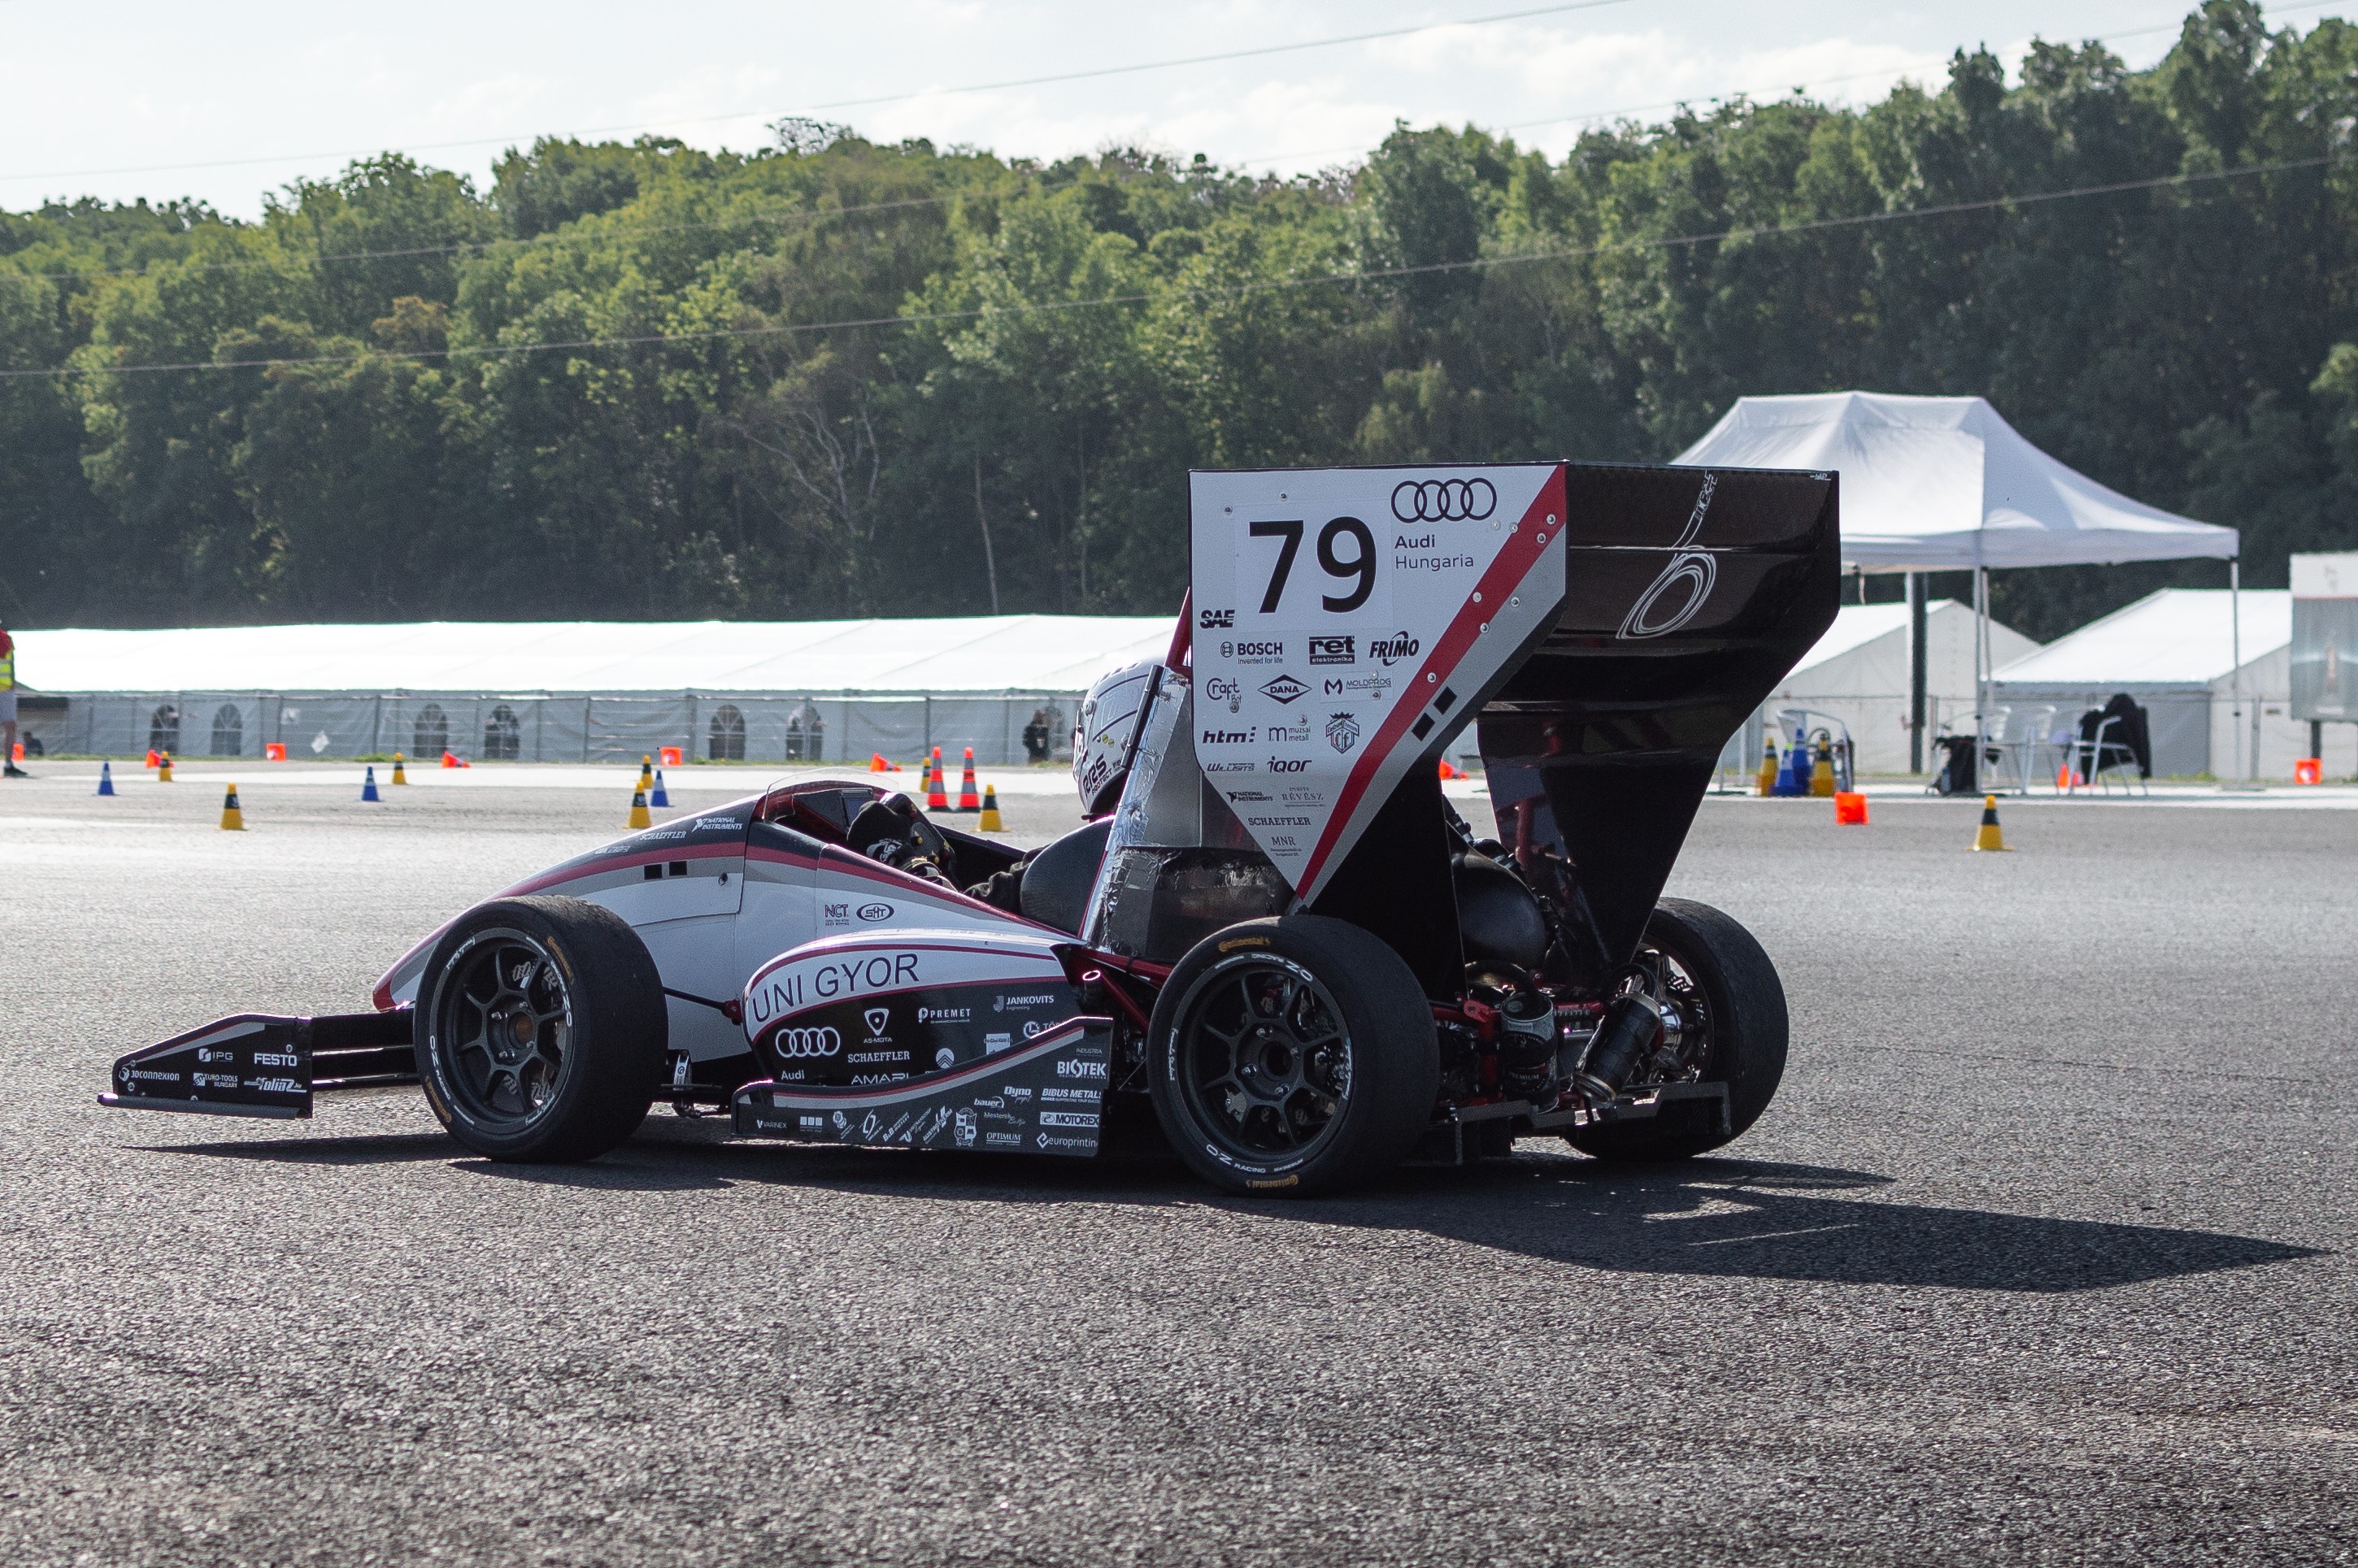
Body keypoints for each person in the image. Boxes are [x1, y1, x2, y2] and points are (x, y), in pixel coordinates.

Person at [0, 623, 23, 777]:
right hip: (6, 690)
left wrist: (13, 683)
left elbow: (11, 663)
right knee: (10, 726)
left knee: (11, 726)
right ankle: (8, 764)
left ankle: (8, 764)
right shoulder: (7, 639)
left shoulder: (7, 639)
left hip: (6, 689)